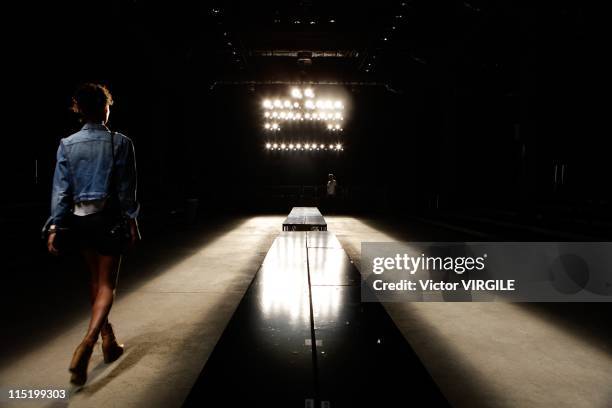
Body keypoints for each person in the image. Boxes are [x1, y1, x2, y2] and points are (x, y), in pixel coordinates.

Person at [43, 83, 140, 386]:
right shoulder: (120, 143)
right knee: (108, 284)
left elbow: (61, 192)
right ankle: (87, 344)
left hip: (80, 220)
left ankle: (108, 342)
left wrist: (56, 226)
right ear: (105, 108)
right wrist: (133, 220)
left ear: (80, 110)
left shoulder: (67, 144)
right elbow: (126, 190)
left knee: (94, 281)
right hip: (108, 219)